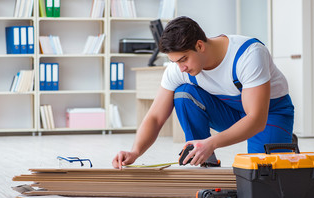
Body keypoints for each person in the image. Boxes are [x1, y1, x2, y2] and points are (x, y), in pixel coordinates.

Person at [112, 16, 294, 169]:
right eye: (175, 62)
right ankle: (205, 160)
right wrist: (135, 152)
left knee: (263, 177)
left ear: (200, 46)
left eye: (183, 60)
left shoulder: (249, 54)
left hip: (268, 114)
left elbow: (256, 119)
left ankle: (285, 141)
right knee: (184, 94)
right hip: (229, 110)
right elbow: (155, 117)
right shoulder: (179, 70)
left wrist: (212, 142)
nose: (180, 68)